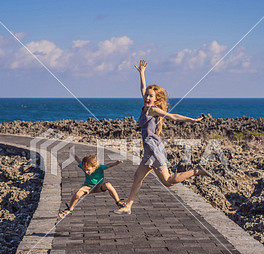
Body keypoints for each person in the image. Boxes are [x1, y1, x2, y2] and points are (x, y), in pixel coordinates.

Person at [115, 60, 211, 214]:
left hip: (154, 150)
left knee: (167, 182)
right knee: (137, 177)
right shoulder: (145, 106)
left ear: (155, 99)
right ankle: (128, 206)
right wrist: (142, 73)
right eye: (146, 95)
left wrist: (191, 120)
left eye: (150, 96)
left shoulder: (153, 110)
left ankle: (196, 171)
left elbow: (172, 116)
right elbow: (142, 87)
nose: (146, 97)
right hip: (148, 150)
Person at [59, 153, 125, 218]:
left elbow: (108, 165)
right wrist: (73, 154)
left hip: (99, 186)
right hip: (88, 187)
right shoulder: (84, 166)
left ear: (94, 167)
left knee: (108, 185)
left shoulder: (100, 167)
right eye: (85, 170)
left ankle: (118, 203)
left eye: (88, 170)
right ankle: (69, 209)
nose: (86, 172)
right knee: (77, 195)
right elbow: (78, 161)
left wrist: (116, 163)